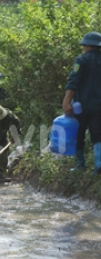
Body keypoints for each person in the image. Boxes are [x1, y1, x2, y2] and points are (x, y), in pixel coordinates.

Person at [62, 31, 101, 175]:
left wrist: (66, 102)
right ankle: (99, 164)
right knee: (98, 134)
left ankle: (80, 165)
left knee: (79, 133)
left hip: (81, 106)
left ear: (87, 46)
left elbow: (74, 82)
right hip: (99, 107)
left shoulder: (82, 60)